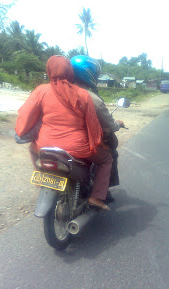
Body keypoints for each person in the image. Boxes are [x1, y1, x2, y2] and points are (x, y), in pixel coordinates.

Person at [15, 55, 112, 210]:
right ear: (69, 71)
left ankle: (41, 180)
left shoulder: (41, 90)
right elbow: (93, 125)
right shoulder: (83, 94)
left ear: (49, 70)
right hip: (78, 147)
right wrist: (97, 142)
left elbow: (27, 114)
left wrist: (21, 131)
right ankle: (96, 197)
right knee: (106, 159)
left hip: (45, 144)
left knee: (32, 149)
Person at [70, 55, 124, 190]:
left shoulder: (58, 91)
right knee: (110, 155)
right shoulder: (92, 98)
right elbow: (108, 124)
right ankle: (100, 193)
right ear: (89, 73)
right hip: (82, 142)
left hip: (54, 138)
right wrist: (117, 124)